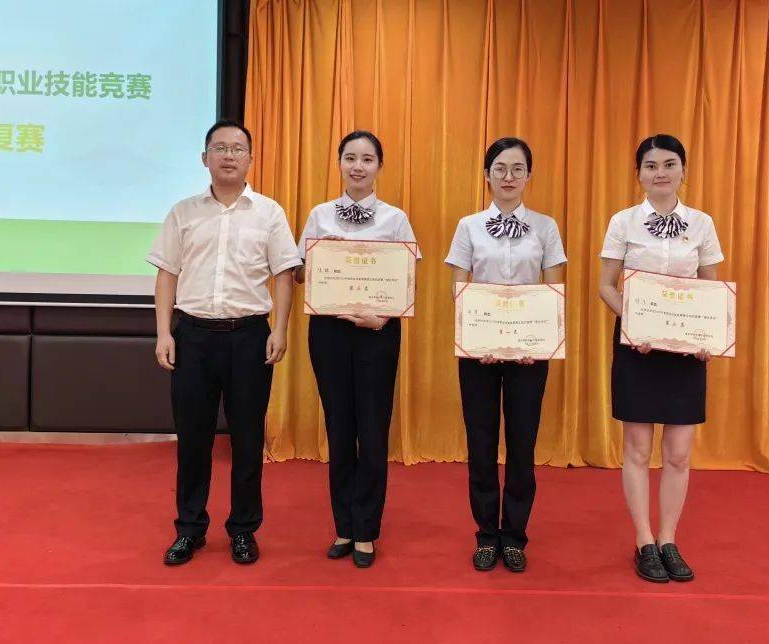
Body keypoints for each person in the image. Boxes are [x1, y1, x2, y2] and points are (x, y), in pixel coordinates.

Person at [148, 120, 300, 566]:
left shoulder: (269, 212)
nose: (229, 155)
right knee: (192, 439)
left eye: (238, 148)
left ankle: (243, 529)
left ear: (251, 158)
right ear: (205, 158)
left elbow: (285, 274)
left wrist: (281, 328)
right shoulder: (183, 212)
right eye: (220, 148)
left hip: (250, 337)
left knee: (248, 441)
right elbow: (166, 274)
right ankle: (190, 529)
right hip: (192, 336)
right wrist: (163, 332)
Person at [598, 134, 724, 583]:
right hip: (638, 346)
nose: (660, 173)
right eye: (650, 166)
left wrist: (710, 335)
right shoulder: (623, 221)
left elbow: (711, 290)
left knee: (678, 453)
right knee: (636, 448)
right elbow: (606, 286)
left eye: (669, 164)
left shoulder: (702, 224)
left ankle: (670, 539)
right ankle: (644, 541)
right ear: (639, 174)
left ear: (683, 170)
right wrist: (634, 323)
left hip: (685, 351)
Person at [294, 130, 420, 568]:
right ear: (340, 164)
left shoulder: (395, 218)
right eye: (350, 158)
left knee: (373, 428)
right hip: (328, 332)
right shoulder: (319, 215)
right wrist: (320, 259)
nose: (358, 166)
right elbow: (299, 274)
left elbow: (407, 277)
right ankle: (343, 526)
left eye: (367, 159)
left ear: (379, 167)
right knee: (339, 427)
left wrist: (383, 316)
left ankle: (367, 529)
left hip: (377, 332)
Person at [444, 137, 567, 573]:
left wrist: (534, 341)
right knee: (480, 444)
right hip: (479, 352)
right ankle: (485, 534)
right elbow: (459, 290)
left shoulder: (546, 227)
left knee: (521, 444)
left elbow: (554, 290)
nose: (509, 177)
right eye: (500, 168)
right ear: (487, 175)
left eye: (517, 169)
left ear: (529, 176)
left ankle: (514, 535)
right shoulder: (469, 226)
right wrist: (481, 339)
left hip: (530, 354)